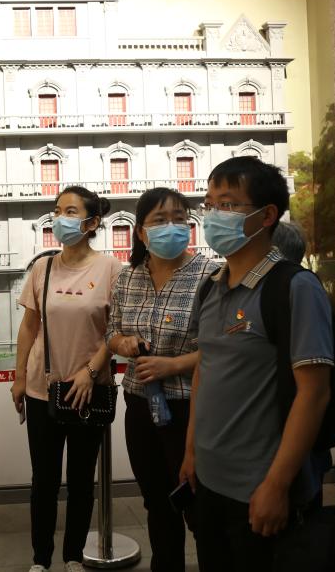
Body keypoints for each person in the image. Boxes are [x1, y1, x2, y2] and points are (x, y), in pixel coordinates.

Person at [180, 156, 334, 572]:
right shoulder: (211, 287)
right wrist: (191, 452)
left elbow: (314, 394)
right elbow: (205, 370)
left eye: (228, 204)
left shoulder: (294, 287)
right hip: (209, 480)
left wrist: (277, 485)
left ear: (266, 216)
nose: (214, 215)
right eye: (210, 204)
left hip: (259, 487)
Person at [10, 186, 123, 572]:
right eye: (57, 210)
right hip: (42, 390)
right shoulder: (42, 268)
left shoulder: (111, 269)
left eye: (70, 211)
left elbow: (116, 331)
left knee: (80, 481)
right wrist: (19, 378)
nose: (60, 218)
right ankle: (40, 560)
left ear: (92, 222)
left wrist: (90, 372)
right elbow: (29, 327)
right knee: (43, 481)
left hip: (88, 390)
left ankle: (73, 556)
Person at [106, 187, 219, 572]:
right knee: (157, 502)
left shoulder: (210, 275)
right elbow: (111, 332)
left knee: (198, 506)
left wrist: (174, 366)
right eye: (159, 220)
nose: (171, 226)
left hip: (191, 409)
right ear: (141, 232)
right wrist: (122, 342)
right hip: (141, 405)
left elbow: (223, 349)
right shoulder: (128, 277)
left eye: (179, 218)